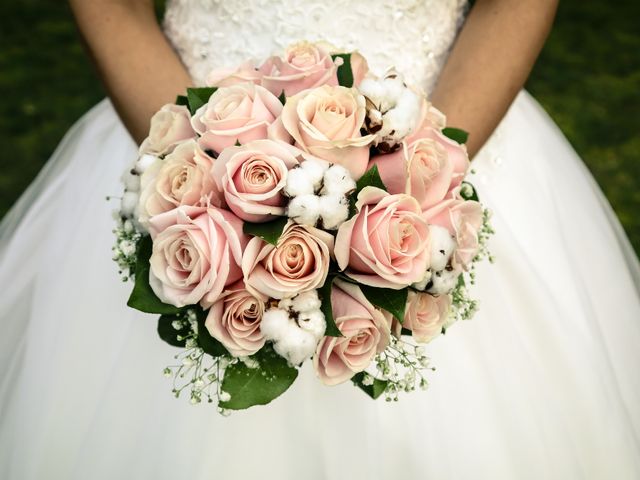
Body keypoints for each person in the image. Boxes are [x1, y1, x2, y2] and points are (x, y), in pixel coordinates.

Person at [1, 0, 639, 478]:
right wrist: (201, 176)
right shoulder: (195, 166)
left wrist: (422, 180)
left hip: (448, 133)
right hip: (184, 127)